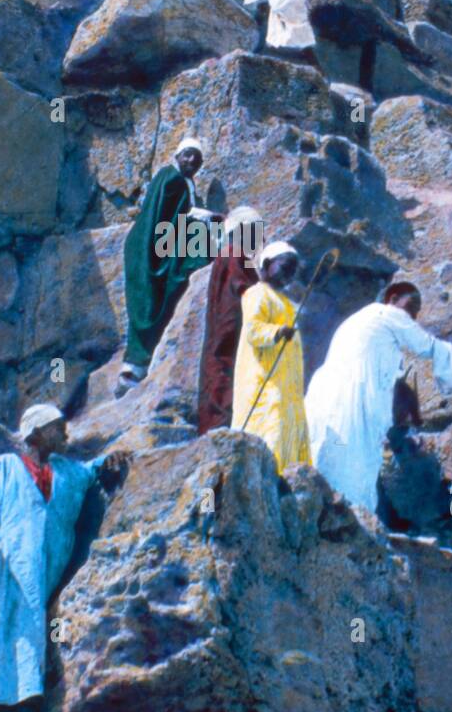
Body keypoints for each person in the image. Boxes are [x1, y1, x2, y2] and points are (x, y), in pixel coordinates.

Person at [0, 404, 127, 712]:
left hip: (42, 576)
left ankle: (25, 706)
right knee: (1, 636)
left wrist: (108, 462)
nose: (65, 433)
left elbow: (90, 472)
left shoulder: (67, 471)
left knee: (31, 636)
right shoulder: (5, 467)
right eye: (56, 427)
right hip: (5, 573)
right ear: (35, 433)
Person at [305, 282, 452, 515]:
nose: (413, 315)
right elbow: (425, 345)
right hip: (353, 400)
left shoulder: (358, 320)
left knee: (332, 454)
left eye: (416, 311)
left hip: (326, 397)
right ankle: (352, 519)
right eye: (411, 306)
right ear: (392, 298)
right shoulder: (387, 314)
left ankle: (327, 512)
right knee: (355, 463)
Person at [116, 137, 216, 396]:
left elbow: (180, 216)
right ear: (178, 156)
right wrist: (206, 218)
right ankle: (134, 366)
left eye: (196, 158)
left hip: (160, 242)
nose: (191, 161)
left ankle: (137, 364)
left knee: (155, 301)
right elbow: (173, 217)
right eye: (187, 155)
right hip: (150, 247)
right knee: (148, 301)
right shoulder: (170, 177)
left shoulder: (184, 183)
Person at [231, 240, 311, 471]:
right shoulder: (256, 293)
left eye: (294, 270)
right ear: (266, 265)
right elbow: (253, 331)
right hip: (264, 383)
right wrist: (276, 333)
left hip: (286, 385)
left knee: (288, 433)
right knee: (271, 431)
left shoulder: (286, 302)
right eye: (285, 266)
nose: (290, 274)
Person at [196, 206, 263, 435]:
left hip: (225, 331)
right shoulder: (235, 255)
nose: (261, 238)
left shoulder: (229, 254)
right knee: (224, 382)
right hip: (231, 332)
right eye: (256, 231)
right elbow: (244, 290)